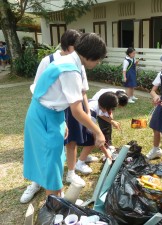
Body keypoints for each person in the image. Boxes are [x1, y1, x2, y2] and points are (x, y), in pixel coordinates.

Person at [23, 33, 107, 201]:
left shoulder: (68, 61)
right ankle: (55, 205)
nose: (98, 63)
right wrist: (98, 132)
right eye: (98, 59)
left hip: (51, 113)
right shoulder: (70, 69)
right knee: (51, 161)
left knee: (54, 157)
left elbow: (55, 96)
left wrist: (61, 121)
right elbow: (76, 110)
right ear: (90, 55)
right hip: (43, 116)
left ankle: (57, 197)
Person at [22, 29, 84, 204]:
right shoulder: (48, 61)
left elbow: (81, 91)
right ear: (70, 46)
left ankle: (59, 193)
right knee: (41, 152)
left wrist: (63, 121)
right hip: (44, 111)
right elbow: (38, 88)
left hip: (63, 111)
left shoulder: (78, 63)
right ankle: (36, 184)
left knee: (55, 155)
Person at [75, 90, 128, 174]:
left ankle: (84, 156)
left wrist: (111, 121)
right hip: (75, 126)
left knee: (92, 139)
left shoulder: (97, 103)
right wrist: (106, 152)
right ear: (105, 107)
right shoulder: (91, 113)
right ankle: (79, 163)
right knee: (91, 141)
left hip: (80, 123)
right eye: (110, 110)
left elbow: (101, 115)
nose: (110, 112)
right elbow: (95, 136)